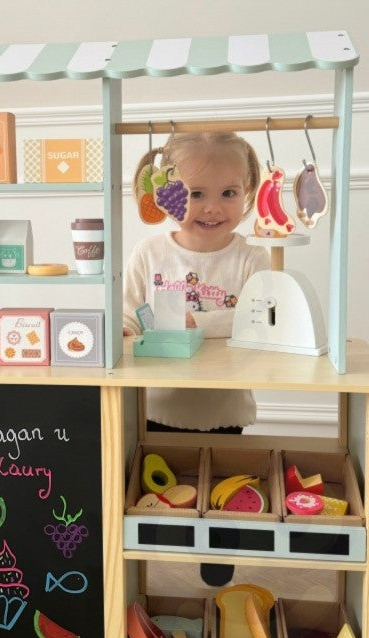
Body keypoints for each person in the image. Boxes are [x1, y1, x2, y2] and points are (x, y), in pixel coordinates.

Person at [123, 131, 269, 586]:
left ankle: (218, 557)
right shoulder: (151, 252)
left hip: (224, 406)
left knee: (222, 494)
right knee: (161, 491)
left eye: (228, 193)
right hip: (160, 403)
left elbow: (257, 319)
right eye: (194, 194)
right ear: (163, 192)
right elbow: (129, 313)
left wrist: (196, 324)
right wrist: (129, 330)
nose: (212, 207)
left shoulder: (253, 257)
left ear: (246, 193)